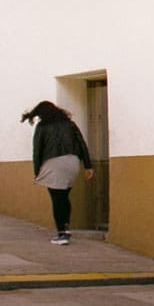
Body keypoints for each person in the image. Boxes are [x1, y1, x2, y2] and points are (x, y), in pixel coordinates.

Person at [21, 100, 94, 244]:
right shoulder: (70, 124)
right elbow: (82, 144)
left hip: (54, 163)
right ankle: (66, 228)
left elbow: (37, 150)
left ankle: (62, 234)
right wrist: (88, 165)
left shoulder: (42, 126)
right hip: (73, 162)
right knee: (64, 197)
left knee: (57, 199)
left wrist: (37, 171)